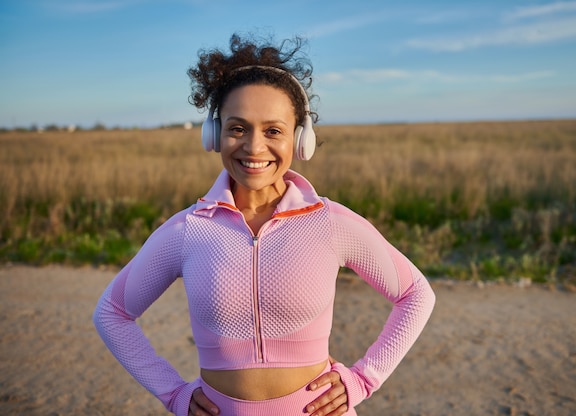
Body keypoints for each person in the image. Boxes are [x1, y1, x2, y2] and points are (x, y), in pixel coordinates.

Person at [93, 33, 436, 416]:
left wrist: (363, 379)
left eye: (273, 130)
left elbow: (415, 294)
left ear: (300, 139)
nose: (254, 148)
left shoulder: (331, 223)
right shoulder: (188, 230)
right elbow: (112, 313)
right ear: (214, 135)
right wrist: (172, 392)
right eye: (238, 128)